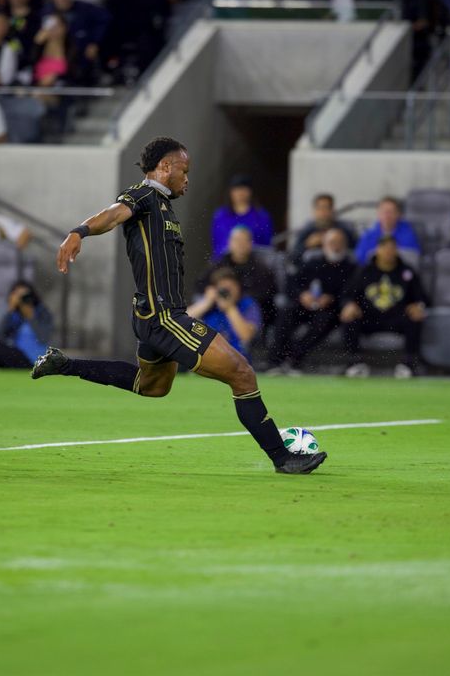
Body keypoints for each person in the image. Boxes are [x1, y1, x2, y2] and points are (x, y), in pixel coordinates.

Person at [30, 136, 327, 474]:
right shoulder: (142, 195)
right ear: (166, 167)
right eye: (184, 170)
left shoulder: (164, 205)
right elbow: (113, 214)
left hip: (151, 315)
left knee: (152, 386)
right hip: (165, 317)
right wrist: (78, 232)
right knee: (242, 374)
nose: (187, 178)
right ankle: (283, 457)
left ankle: (64, 364)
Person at [267, 227, 354, 373]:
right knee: (286, 313)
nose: (336, 246)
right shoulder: (313, 262)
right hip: (305, 304)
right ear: (324, 245)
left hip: (330, 309)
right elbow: (292, 284)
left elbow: (351, 293)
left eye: (339, 243)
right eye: (332, 242)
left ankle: (294, 359)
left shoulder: (350, 268)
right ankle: (274, 361)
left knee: (324, 321)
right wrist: (302, 295)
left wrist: (331, 299)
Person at [339, 236, 426, 379]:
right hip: (369, 317)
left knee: (415, 318)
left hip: (397, 317)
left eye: (392, 249)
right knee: (349, 317)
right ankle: (354, 362)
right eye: (385, 248)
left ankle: (408, 363)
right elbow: (347, 295)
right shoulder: (364, 271)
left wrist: (418, 306)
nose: (388, 252)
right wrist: (349, 305)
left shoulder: (407, 272)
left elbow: (422, 296)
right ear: (377, 250)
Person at [199, 225, 279, 329]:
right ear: (229, 242)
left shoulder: (261, 268)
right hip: (217, 305)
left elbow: (267, 293)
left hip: (249, 309)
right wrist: (213, 295)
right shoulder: (218, 264)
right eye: (237, 240)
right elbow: (201, 284)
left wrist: (235, 299)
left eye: (244, 240)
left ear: (251, 243)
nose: (240, 244)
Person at [187, 268, 262, 360]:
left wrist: (230, 308)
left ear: (238, 287)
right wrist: (206, 302)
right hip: (208, 357)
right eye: (223, 288)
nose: (227, 292)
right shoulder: (209, 305)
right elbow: (181, 321)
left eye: (230, 287)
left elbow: (246, 336)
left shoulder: (247, 304)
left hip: (238, 358)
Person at [210, 175, 274, 256]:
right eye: (236, 189)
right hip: (226, 263)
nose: (240, 193)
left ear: (250, 191)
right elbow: (217, 245)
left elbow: (267, 247)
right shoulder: (220, 216)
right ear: (230, 192)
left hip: (255, 263)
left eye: (243, 189)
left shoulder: (262, 216)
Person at [289, 192, 357, 264]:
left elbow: (357, 254)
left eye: (327, 208)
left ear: (332, 210)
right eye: (320, 208)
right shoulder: (307, 230)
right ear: (314, 211)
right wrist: (307, 245)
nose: (323, 212)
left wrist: (340, 243)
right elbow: (293, 257)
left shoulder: (344, 230)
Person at [354, 196, 420, 263]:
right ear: (378, 214)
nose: (387, 216)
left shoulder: (408, 236)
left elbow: (412, 261)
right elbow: (359, 260)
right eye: (384, 212)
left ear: (398, 214)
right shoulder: (368, 236)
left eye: (391, 212)